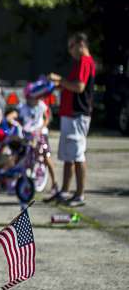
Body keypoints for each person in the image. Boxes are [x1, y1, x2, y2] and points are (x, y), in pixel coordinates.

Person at [46, 32, 96, 207]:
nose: (70, 51)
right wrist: (59, 85)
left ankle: (80, 194)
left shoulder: (85, 61)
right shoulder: (78, 62)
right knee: (67, 156)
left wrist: (59, 79)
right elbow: (71, 84)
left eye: (71, 46)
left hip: (78, 114)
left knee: (77, 155)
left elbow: (79, 87)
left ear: (81, 44)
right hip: (69, 115)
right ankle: (65, 191)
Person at [19, 83, 57, 194]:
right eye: (31, 97)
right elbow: (20, 119)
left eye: (35, 97)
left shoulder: (41, 105)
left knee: (46, 157)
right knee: (25, 157)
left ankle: (54, 183)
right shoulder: (23, 107)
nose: (33, 100)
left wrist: (41, 128)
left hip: (41, 135)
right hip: (28, 135)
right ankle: (23, 181)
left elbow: (47, 118)